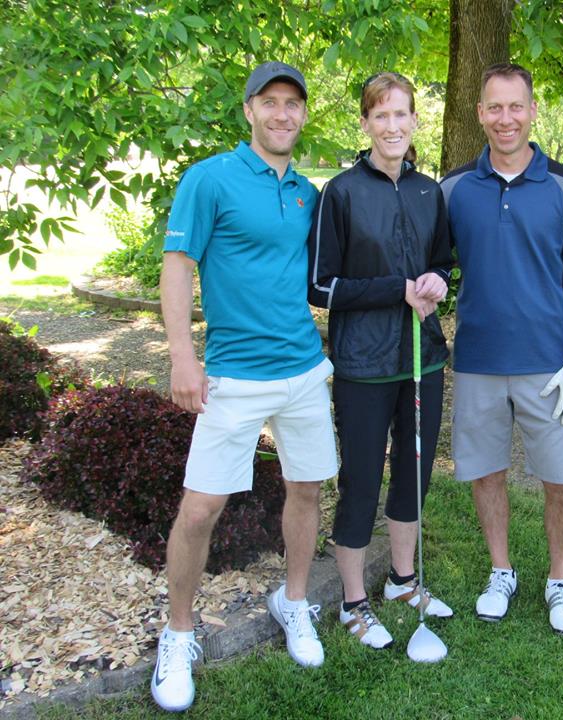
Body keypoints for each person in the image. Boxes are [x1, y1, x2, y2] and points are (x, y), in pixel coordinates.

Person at [154, 61, 338, 712]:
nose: (283, 113)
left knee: (307, 489)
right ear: (249, 110)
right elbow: (177, 267)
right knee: (201, 507)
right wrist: (183, 355)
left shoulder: (308, 195)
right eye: (271, 102)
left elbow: (334, 272)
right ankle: (178, 636)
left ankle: (293, 601)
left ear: (304, 115)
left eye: (294, 103)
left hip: (304, 369)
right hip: (233, 375)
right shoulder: (209, 179)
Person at [440, 63, 563, 636]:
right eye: (494, 107)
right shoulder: (453, 189)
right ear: (479, 112)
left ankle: (559, 580)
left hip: (548, 365)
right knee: (487, 473)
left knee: (562, 479)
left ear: (532, 111)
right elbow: (432, 269)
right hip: (480, 361)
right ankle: (501, 571)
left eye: (516, 106)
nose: (505, 118)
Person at [308, 72, 455, 650]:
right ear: (366, 123)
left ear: (416, 121)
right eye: (381, 115)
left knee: (413, 476)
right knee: (362, 481)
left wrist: (436, 282)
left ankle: (402, 581)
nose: (392, 126)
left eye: (402, 115)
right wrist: (395, 288)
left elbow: (443, 262)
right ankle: (353, 602)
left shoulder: (429, 191)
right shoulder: (340, 193)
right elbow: (321, 287)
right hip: (364, 365)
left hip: (422, 356)